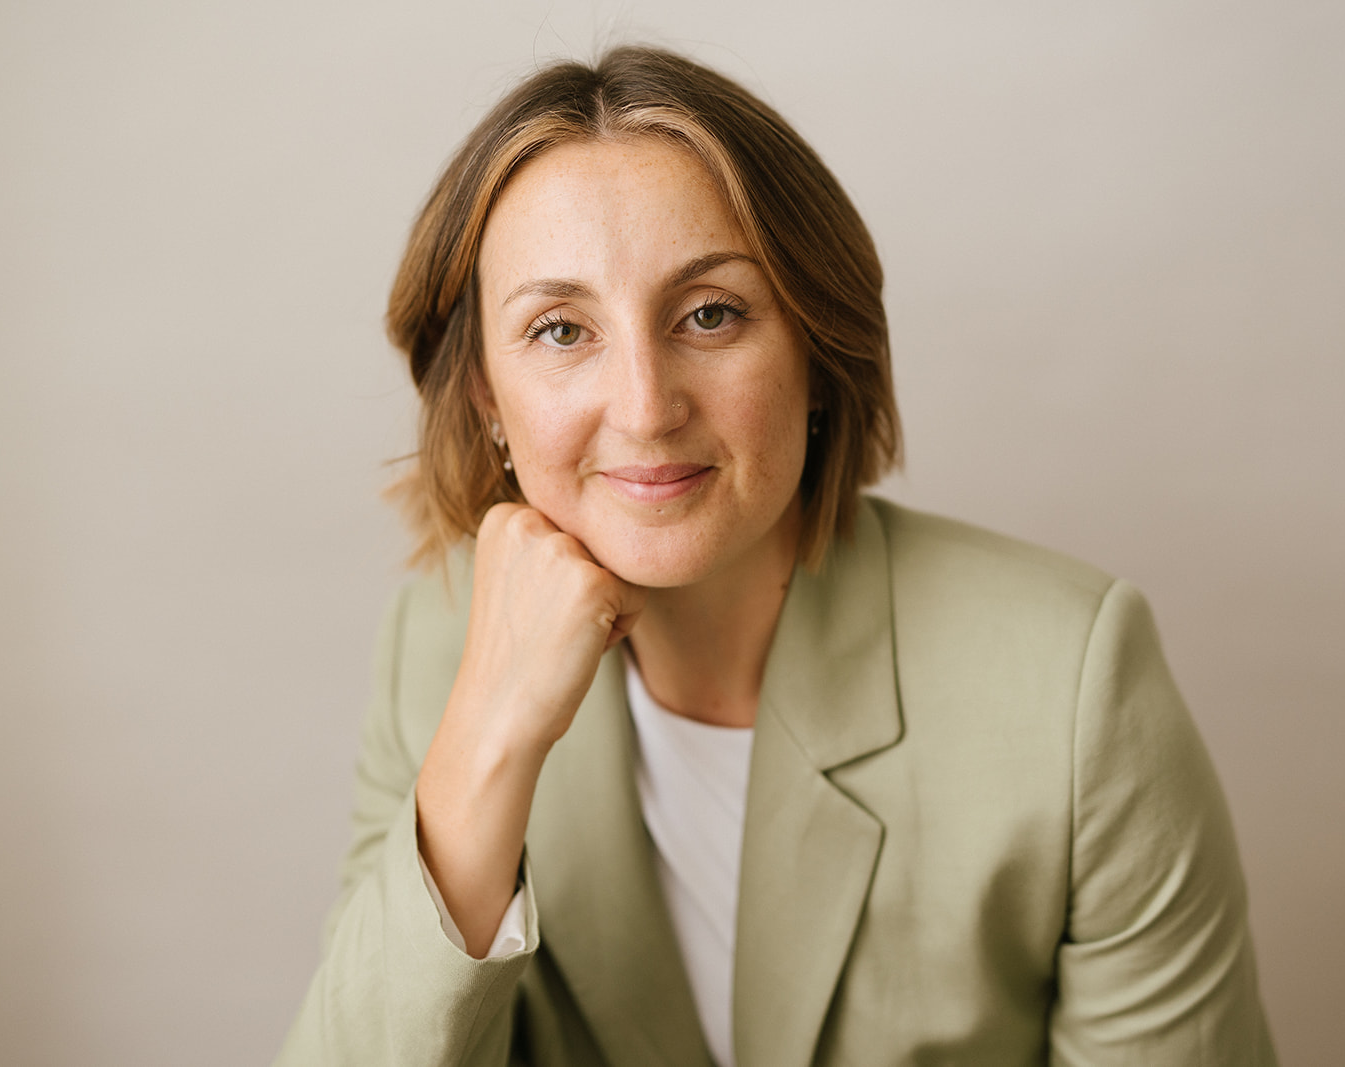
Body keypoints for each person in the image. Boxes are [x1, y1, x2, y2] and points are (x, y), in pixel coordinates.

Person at [277, 45, 1276, 1067]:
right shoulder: (435, 650)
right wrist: (490, 734)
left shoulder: (1072, 683)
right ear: (487, 391)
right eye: (561, 328)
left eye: (710, 313)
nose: (644, 406)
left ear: (815, 347)